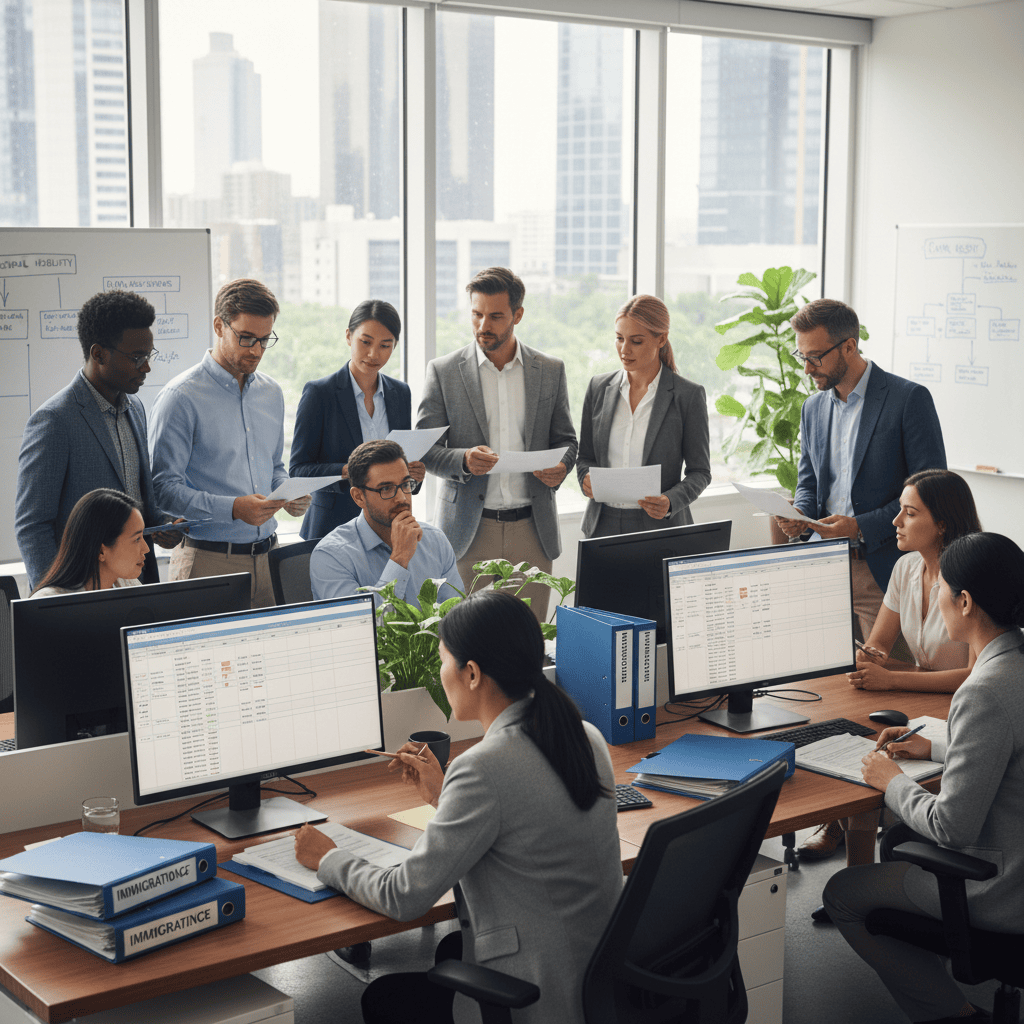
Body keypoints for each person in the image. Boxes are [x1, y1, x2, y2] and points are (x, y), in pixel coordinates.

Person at [294, 589, 622, 1024]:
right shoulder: (584, 735)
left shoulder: (484, 768)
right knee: (448, 950)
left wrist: (328, 857)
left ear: (471, 673)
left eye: (444, 659)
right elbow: (519, 811)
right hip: (599, 984)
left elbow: (403, 896)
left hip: (541, 999)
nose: (439, 670)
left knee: (382, 997)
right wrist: (444, 792)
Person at [822, 532, 1024, 1024]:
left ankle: (952, 1014)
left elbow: (954, 828)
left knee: (842, 894)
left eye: (942, 589)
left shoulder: (983, 692)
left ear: (966, 602)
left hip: (1003, 889)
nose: (936, 598)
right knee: (898, 841)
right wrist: (933, 747)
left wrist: (891, 780)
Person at [774, 298, 947, 863]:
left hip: (883, 567)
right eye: (802, 358)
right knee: (832, 696)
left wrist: (861, 526)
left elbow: (933, 488)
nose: (809, 368)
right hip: (822, 569)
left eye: (817, 356)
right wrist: (795, 515)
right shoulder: (813, 407)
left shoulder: (907, 400)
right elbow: (809, 485)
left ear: (849, 346)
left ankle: (886, 828)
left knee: (884, 698)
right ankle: (839, 817)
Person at [808, 470, 982, 923]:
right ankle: (860, 881)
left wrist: (893, 679)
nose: (896, 523)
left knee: (888, 762)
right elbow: (880, 646)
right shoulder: (906, 567)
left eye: (909, 512)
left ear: (941, 523)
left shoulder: (969, 574)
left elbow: (973, 676)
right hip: (920, 704)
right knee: (870, 749)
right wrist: (869, 659)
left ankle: (868, 893)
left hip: (959, 707)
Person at [415, 267, 577, 622]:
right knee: (459, 642)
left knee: (524, 643)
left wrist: (561, 467)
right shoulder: (443, 371)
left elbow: (567, 439)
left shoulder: (550, 370)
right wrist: (463, 460)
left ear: (517, 315)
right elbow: (425, 450)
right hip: (466, 533)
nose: (482, 325)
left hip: (531, 531)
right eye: (476, 314)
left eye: (495, 316)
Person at [149, 278, 310, 608]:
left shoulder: (272, 393)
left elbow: (274, 467)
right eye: (246, 338)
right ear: (219, 326)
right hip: (206, 564)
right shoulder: (180, 398)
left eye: (265, 340)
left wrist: (288, 492)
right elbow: (162, 489)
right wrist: (235, 509)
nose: (256, 350)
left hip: (270, 560)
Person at [15, 289, 176, 590]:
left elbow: (139, 500)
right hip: (80, 591)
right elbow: (32, 526)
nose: (147, 367)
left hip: (137, 582)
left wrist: (163, 525)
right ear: (98, 353)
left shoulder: (135, 407)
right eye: (137, 357)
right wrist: (56, 601)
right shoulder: (54, 421)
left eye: (149, 355)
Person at [289, 300, 425, 541]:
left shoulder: (400, 393)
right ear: (349, 336)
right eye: (366, 342)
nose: (374, 354)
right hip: (331, 528)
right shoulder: (320, 393)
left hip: (387, 527)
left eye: (385, 345)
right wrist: (348, 471)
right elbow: (299, 470)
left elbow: (399, 463)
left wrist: (412, 474)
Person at [577, 294, 711, 537]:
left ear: (662, 339)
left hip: (660, 529)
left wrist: (670, 501)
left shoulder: (687, 396)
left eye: (636, 341)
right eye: (619, 339)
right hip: (601, 525)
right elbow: (585, 456)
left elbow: (700, 472)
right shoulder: (598, 388)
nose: (624, 349)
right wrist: (585, 478)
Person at [310, 439, 462, 608]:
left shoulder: (435, 540)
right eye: (386, 489)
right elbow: (363, 627)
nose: (402, 498)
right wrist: (399, 559)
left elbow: (456, 615)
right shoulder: (331, 556)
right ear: (358, 497)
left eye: (405, 484)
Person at [31, 489, 148, 597]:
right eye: (137, 539)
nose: (146, 548)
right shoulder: (49, 601)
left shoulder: (130, 585)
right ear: (101, 551)